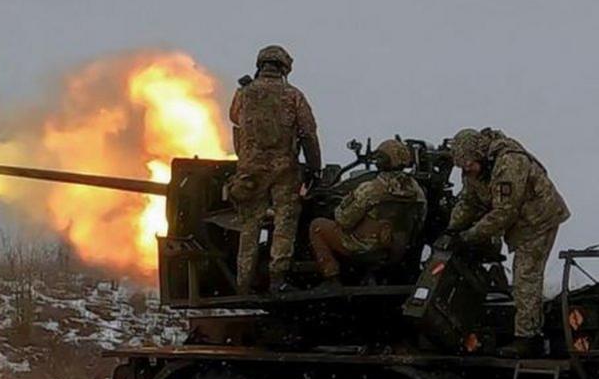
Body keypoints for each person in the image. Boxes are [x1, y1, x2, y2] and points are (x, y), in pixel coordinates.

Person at [448, 127, 570, 356]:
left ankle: (528, 338)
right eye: (462, 166)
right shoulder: (473, 169)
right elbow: (468, 202)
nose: (467, 169)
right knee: (523, 276)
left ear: (479, 154)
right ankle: (528, 325)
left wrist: (469, 236)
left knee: (525, 275)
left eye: (469, 163)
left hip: (539, 220)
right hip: (519, 223)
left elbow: (504, 212)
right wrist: (451, 230)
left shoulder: (510, 163)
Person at [228, 45, 322, 294]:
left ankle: (243, 283)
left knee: (249, 226)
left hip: (249, 170)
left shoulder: (243, 93)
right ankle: (277, 280)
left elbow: (236, 121)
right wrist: (315, 168)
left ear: (260, 65)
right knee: (284, 222)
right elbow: (308, 133)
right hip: (284, 171)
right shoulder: (293, 95)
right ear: (284, 68)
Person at [308, 139, 427, 286]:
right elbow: (419, 223)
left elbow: (344, 220)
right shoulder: (417, 192)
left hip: (363, 248)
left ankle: (332, 278)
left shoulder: (371, 189)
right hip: (396, 250)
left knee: (317, 226)